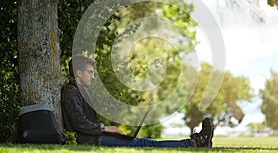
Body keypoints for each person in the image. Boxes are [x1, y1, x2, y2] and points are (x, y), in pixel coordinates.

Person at [61, 55, 214, 148]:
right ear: (78, 73)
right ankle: (194, 143)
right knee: (146, 144)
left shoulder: (80, 91)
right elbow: (79, 123)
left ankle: (196, 142)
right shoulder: (71, 91)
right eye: (89, 72)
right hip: (93, 141)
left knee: (144, 143)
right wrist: (108, 129)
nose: (93, 77)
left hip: (96, 138)